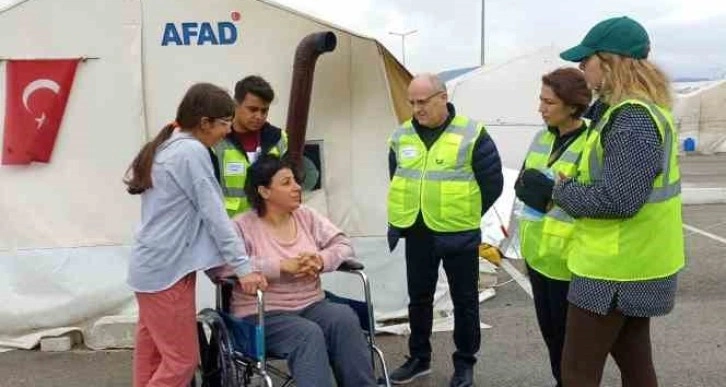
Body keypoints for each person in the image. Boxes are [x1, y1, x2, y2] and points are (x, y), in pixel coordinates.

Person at [553, 16, 685, 386]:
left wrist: (562, 192)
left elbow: (619, 199)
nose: (581, 70)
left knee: (578, 372)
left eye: (586, 61)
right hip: (633, 263)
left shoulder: (632, 119)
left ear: (610, 62)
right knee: (636, 362)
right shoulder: (635, 112)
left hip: (614, 270)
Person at [124, 83, 267, 387]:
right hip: (167, 271)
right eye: (225, 123)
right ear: (205, 123)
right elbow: (215, 216)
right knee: (181, 362)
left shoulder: (169, 146)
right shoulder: (191, 151)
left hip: (153, 268)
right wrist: (244, 268)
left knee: (153, 358)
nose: (228, 130)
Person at [209, 154, 377, 387]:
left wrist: (321, 260)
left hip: (312, 304)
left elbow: (344, 246)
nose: (297, 187)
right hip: (263, 314)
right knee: (307, 334)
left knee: (344, 319)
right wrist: (278, 266)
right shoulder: (241, 225)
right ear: (264, 191)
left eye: (296, 181)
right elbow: (219, 266)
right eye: (286, 183)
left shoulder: (306, 216)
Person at [386, 73, 503, 386]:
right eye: (412, 103)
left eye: (422, 102)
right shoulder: (401, 136)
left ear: (443, 97)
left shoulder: (472, 134)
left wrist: (462, 211)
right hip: (418, 231)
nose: (417, 109)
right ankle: (419, 358)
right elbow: (397, 177)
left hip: (458, 233)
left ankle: (465, 363)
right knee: (418, 299)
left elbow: (493, 184)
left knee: (464, 302)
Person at [514, 67, 592, 387]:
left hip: (567, 259)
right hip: (537, 254)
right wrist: (549, 192)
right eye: (541, 100)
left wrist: (546, 191)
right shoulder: (540, 137)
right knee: (549, 332)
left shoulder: (590, 142)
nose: (541, 108)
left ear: (572, 106)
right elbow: (521, 184)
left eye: (549, 102)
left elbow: (586, 199)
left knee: (569, 339)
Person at [213, 75, 288, 217]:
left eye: (264, 110)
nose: (259, 116)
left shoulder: (279, 139)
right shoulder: (217, 140)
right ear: (236, 105)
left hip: (268, 225)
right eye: (252, 109)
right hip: (230, 227)